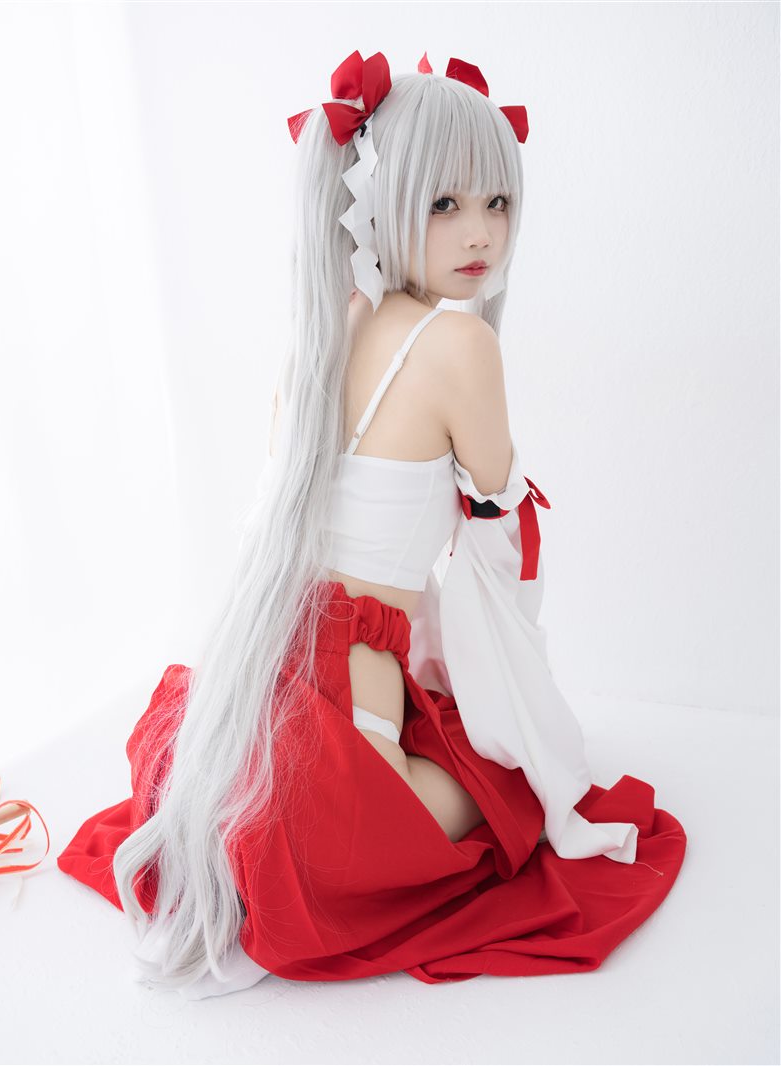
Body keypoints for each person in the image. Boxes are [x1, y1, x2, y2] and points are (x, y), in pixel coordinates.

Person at [57, 49, 687, 997]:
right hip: (340, 730)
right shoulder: (460, 344)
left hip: (243, 688)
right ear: (380, 202)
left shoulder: (324, 331)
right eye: (444, 204)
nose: (481, 233)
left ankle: (270, 819)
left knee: (412, 762)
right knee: (512, 787)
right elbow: (496, 547)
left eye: (497, 202)